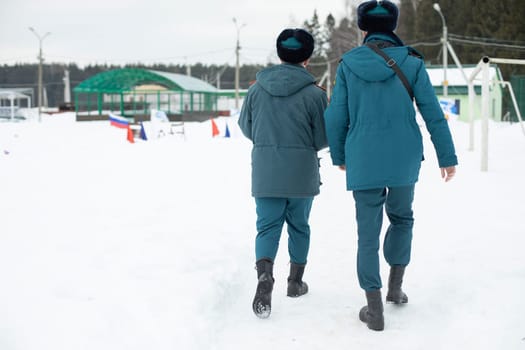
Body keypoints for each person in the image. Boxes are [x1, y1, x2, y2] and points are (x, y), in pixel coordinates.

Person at [324, 0, 458, 331]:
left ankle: (373, 307)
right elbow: (431, 112)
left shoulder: (348, 64)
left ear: (363, 27)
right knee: (402, 218)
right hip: (404, 156)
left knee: (367, 232)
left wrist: (339, 155)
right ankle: (395, 287)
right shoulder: (411, 61)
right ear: (393, 27)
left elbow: (336, 114)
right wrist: (447, 156)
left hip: (363, 156)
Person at [238, 28, 328, 319]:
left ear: (280, 53)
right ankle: (295, 282)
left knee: (267, 227)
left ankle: (264, 277)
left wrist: (266, 142)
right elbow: (323, 137)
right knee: (299, 226)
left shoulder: (256, 89)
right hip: (301, 171)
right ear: (308, 57)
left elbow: (245, 126)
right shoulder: (315, 94)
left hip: (265, 170)